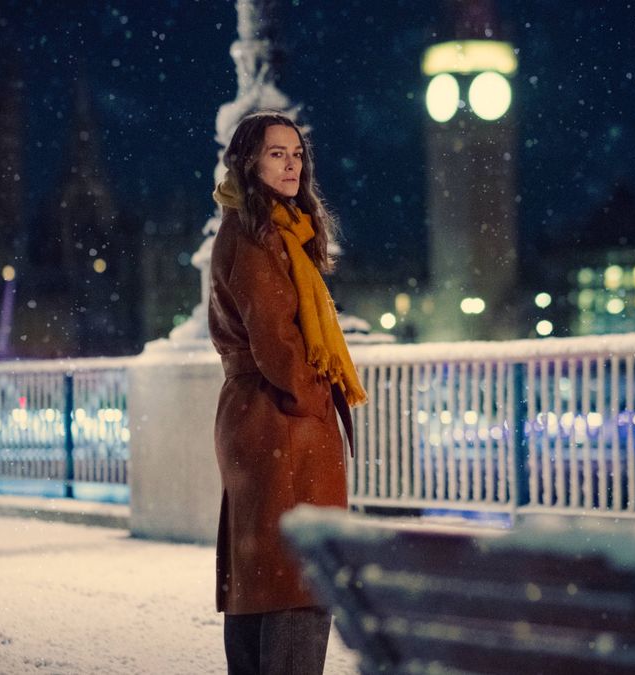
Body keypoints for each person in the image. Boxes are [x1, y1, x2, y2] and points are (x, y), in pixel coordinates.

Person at [207, 110, 367, 675]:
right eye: (277, 153)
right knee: (298, 576)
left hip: (264, 417)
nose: (291, 163)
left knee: (264, 573)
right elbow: (275, 339)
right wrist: (314, 399)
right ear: (249, 161)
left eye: (296, 153)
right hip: (278, 419)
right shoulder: (257, 234)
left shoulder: (267, 229)